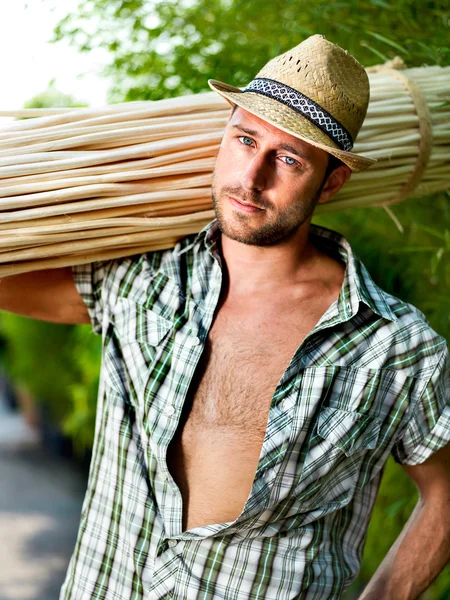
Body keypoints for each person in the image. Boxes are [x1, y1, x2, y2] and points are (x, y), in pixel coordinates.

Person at [1, 34, 449, 600]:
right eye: (245, 140)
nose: (252, 177)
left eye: (288, 159)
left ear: (332, 181)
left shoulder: (394, 348)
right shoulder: (143, 282)